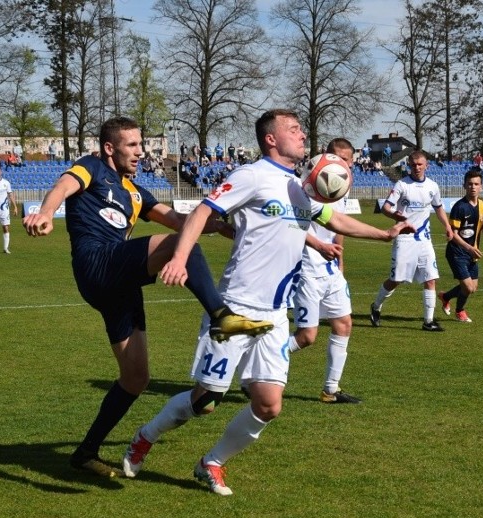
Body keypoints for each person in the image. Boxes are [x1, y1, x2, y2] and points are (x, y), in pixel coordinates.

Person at [121, 109, 413, 495]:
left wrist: (384, 234)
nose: (302, 135)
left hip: (275, 314)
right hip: (236, 306)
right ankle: (145, 436)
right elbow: (204, 211)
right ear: (271, 139)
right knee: (207, 399)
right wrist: (178, 258)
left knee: (269, 405)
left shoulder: (297, 187)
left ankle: (212, 463)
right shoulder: (252, 176)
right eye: (293, 130)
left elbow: (332, 220)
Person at [22, 117, 273, 478]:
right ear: (110, 148)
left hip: (120, 284)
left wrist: (217, 224)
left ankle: (85, 452)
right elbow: (63, 186)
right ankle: (221, 315)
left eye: (142, 145)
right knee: (178, 246)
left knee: (136, 377)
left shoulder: (136, 192)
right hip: (97, 263)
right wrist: (46, 212)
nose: (141, 152)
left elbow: (172, 217)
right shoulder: (90, 167)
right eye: (133, 146)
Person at [289, 137, 361, 404]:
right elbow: (292, 225)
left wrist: (340, 264)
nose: (339, 163)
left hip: (330, 268)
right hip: (307, 266)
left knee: (344, 323)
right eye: (335, 156)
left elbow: (339, 227)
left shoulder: (340, 187)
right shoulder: (302, 187)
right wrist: (318, 246)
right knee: (307, 337)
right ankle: (255, 369)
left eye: (345, 159)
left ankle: (330, 390)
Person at [370, 150, 454, 332]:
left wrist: (447, 226)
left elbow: (438, 208)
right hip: (404, 239)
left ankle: (428, 321)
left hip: (424, 239)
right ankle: (376, 307)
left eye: (420, 164)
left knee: (430, 278)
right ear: (409, 165)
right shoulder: (402, 185)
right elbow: (385, 208)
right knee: (396, 279)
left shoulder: (432, 186)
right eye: (413, 165)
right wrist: (395, 215)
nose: (416, 168)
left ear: (426, 166)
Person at [438, 169, 483, 323]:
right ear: (464, 185)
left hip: (471, 253)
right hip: (457, 252)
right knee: (468, 288)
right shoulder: (459, 207)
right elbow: (453, 234)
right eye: (470, 184)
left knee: (473, 288)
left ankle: (445, 296)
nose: (473, 187)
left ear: (481, 186)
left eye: (476, 184)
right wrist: (469, 248)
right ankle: (460, 311)